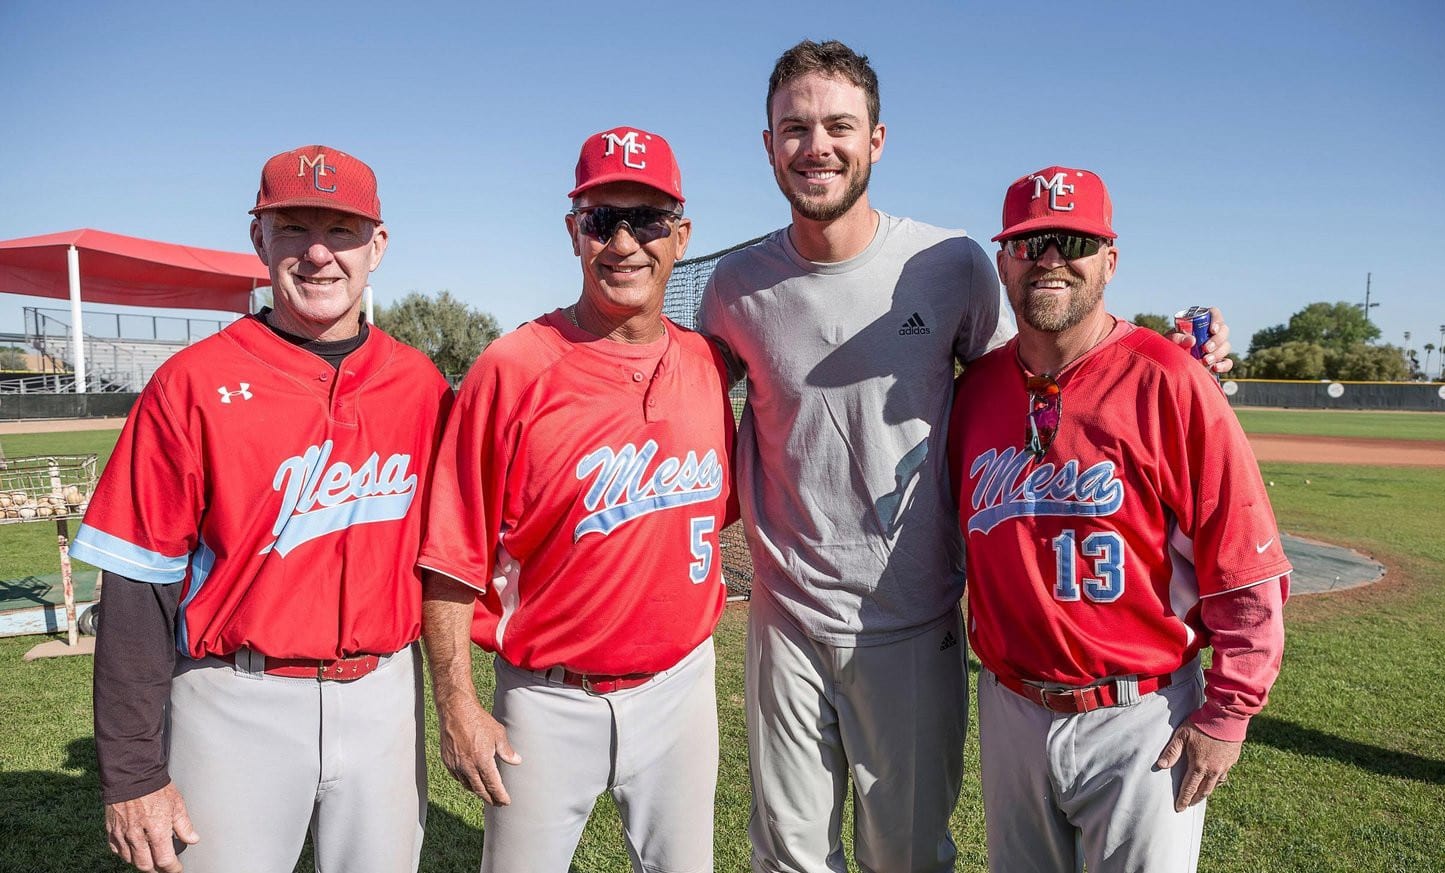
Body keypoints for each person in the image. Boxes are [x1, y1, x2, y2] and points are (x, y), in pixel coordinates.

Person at [699, 41, 1235, 873]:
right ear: (766, 142)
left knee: (906, 858)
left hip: (912, 620)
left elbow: (1042, 362)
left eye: (839, 124)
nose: (817, 145)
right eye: (795, 127)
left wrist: (1170, 363)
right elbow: (673, 399)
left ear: (877, 140)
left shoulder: (947, 265)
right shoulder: (732, 286)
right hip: (785, 618)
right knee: (784, 857)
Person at [70, 145, 451, 873]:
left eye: (340, 230)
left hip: (383, 697)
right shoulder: (191, 382)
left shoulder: (420, 384)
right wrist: (131, 772)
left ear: (378, 246)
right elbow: (138, 588)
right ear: (258, 240)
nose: (317, 254)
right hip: (234, 699)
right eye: (292, 228)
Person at [948, 166, 1291, 872]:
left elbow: (1244, 562)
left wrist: (1228, 712)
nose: (1049, 258)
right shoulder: (975, 391)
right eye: (1028, 241)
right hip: (1012, 702)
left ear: (1109, 259)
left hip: (1143, 716)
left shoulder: (1170, 378)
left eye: (1072, 239)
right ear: (1003, 259)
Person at [417, 126, 736, 873]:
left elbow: (714, 515)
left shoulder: (706, 364)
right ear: (574, 234)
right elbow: (451, 555)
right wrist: (457, 704)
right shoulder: (512, 367)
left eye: (648, 219)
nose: (625, 241)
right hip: (548, 699)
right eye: (602, 219)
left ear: (681, 236)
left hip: (681, 688)